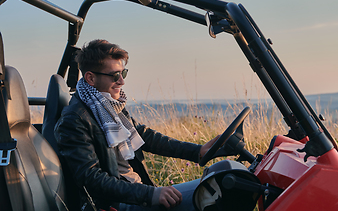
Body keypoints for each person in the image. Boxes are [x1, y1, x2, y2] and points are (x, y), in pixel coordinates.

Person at [54, 39, 219, 211]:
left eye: (123, 74)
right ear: (91, 78)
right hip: (117, 203)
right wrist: (150, 195)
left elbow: (145, 136)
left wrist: (197, 152)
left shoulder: (108, 104)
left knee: (217, 180)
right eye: (115, 75)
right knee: (214, 192)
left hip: (137, 193)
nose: (122, 82)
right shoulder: (75, 120)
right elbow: (91, 178)